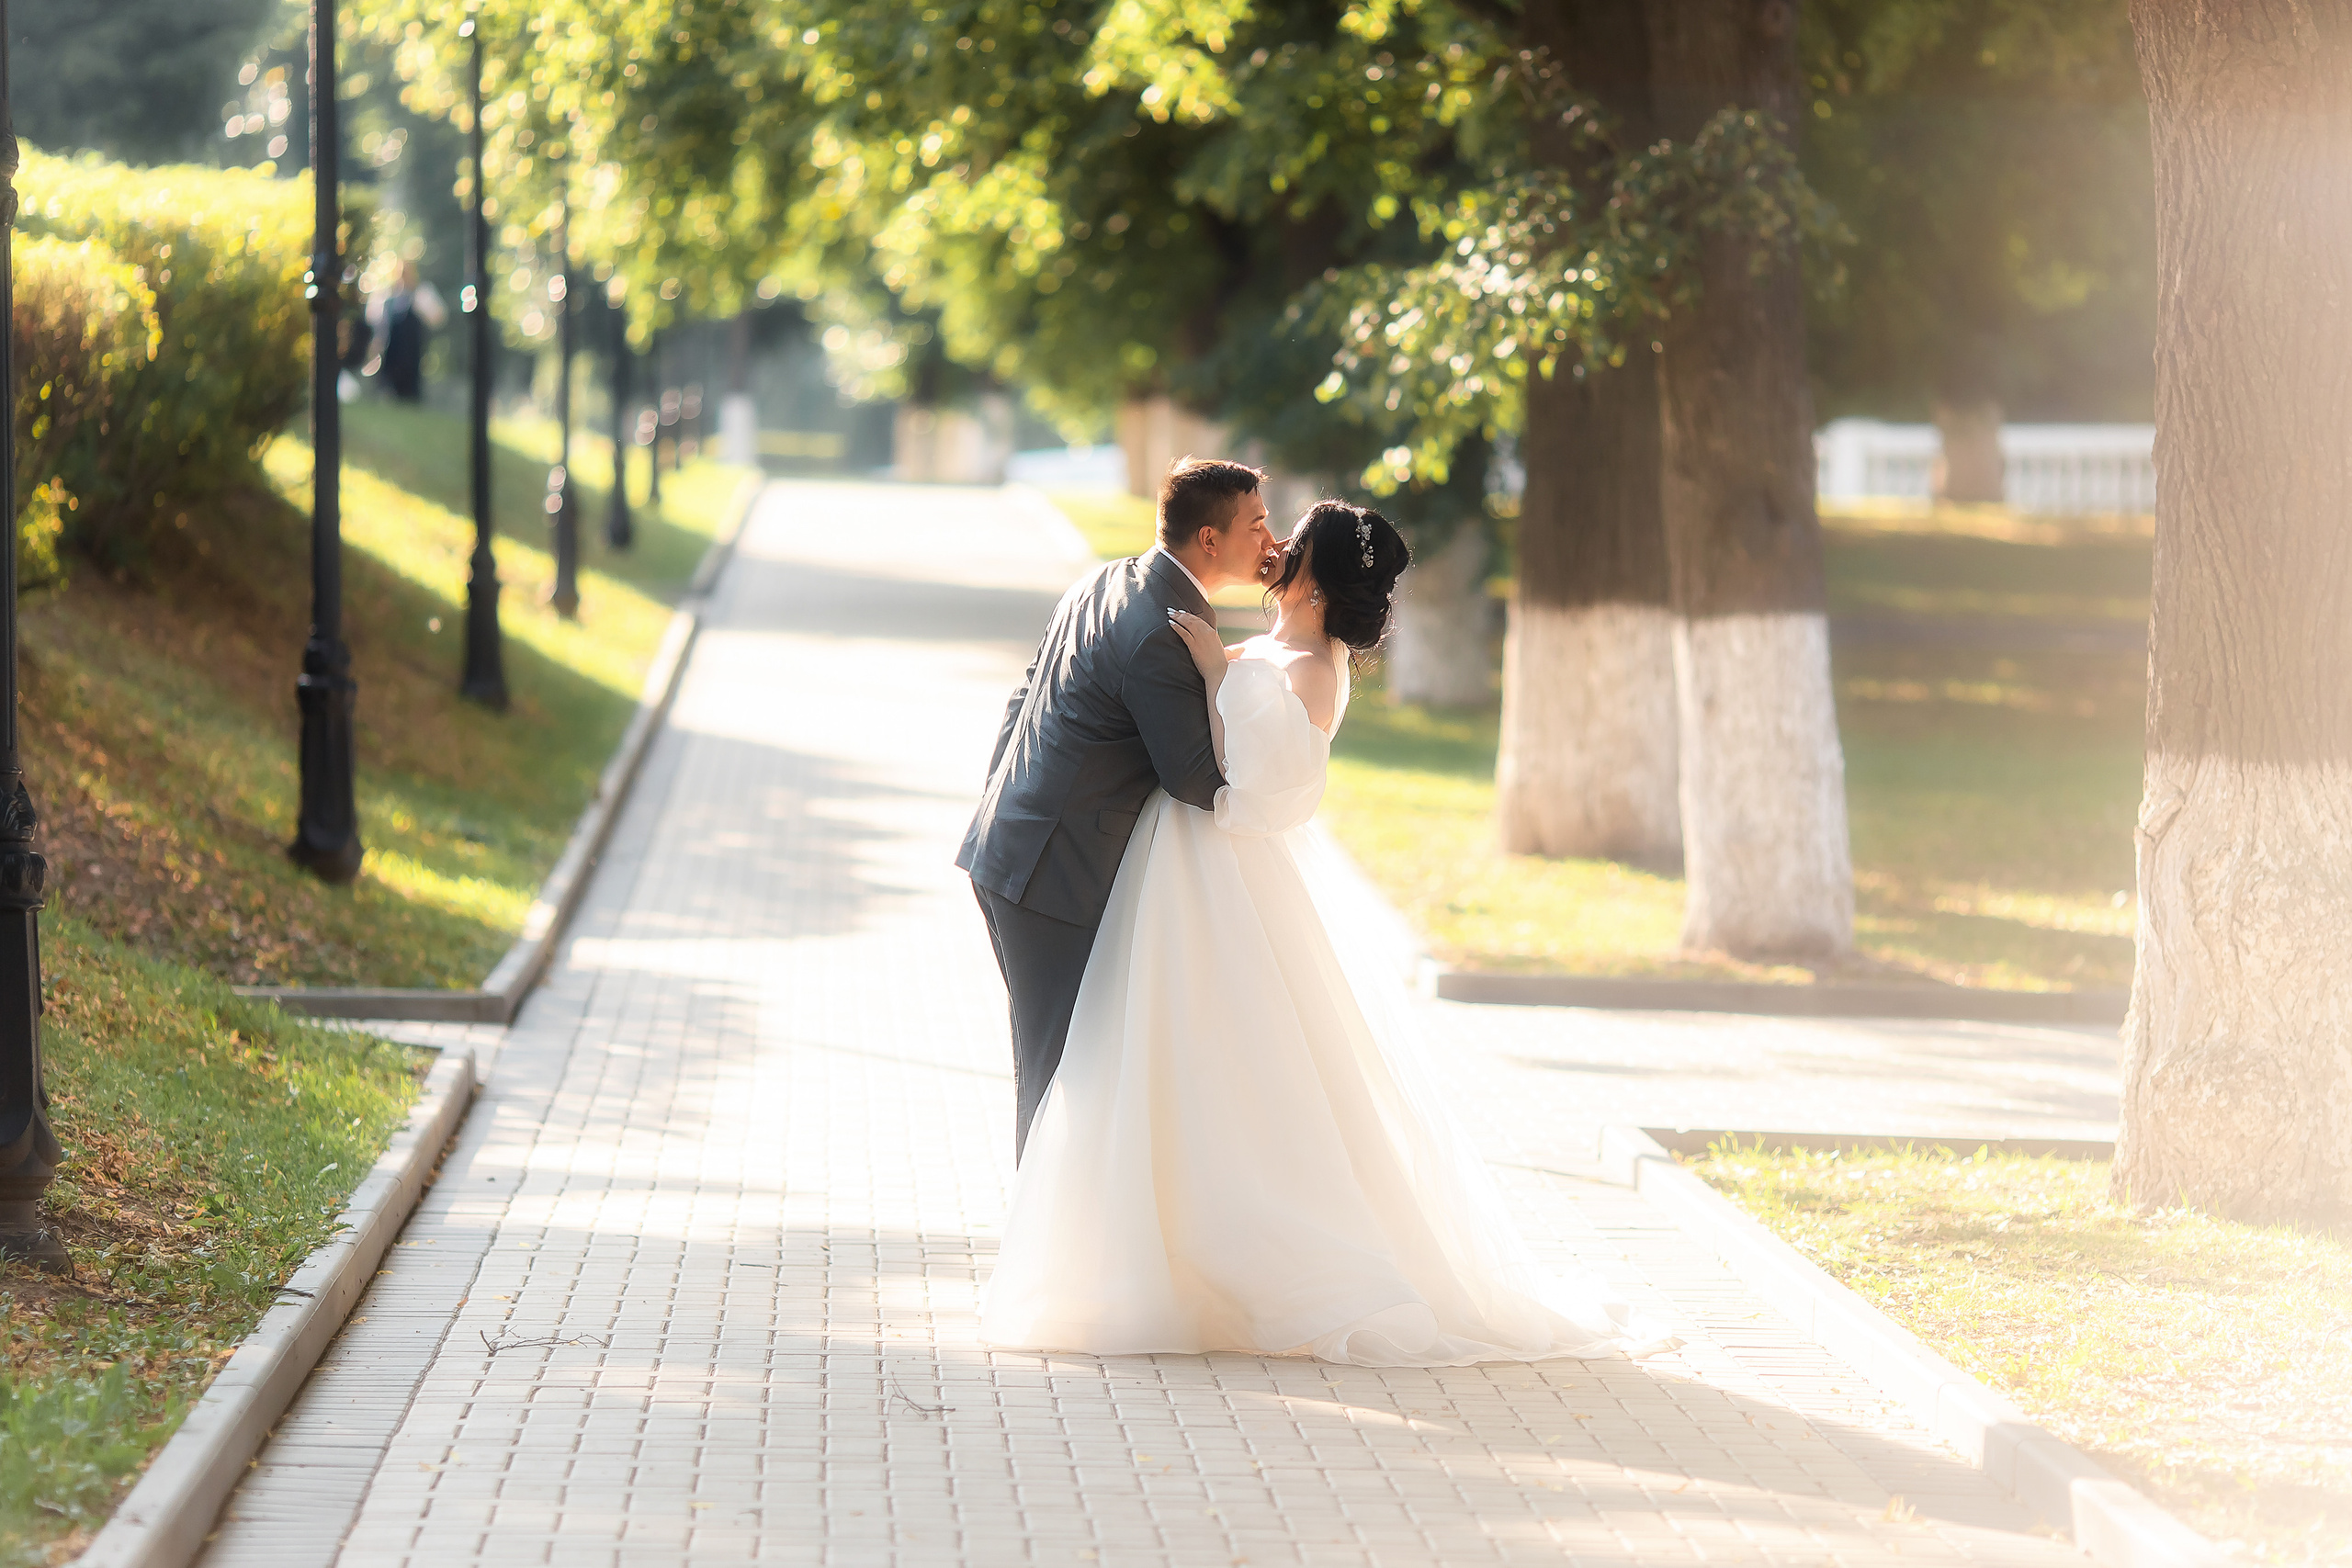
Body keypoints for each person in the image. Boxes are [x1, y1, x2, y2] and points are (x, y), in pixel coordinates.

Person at [978, 499, 1674, 1367]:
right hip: (1174, 868)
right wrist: (1217, 669)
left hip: (1225, 871)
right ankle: (1146, 1244)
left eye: (1291, 542)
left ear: (1315, 573)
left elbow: (1275, 793)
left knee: (1227, 1063)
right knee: (1160, 1059)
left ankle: (1246, 1264)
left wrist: (1213, 674)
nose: (1273, 548)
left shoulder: (1315, 664)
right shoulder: (1273, 645)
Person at [959, 457, 1282, 1156]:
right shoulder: (1164, 631)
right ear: (1208, 540)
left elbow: (1023, 695)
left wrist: (1001, 805)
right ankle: (1036, 1251)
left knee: (1065, 1063)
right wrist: (1226, 686)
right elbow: (1196, 777)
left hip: (1010, 847)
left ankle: (1051, 1241)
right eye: (1257, 524)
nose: (1271, 539)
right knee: (1054, 1070)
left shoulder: (1105, 579)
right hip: (1050, 875)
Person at [365, 261, 448, 402]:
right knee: (388, 387)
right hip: (391, 353)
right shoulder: (387, 297)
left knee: (409, 391)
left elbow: (438, 317)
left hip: (411, 354)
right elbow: (376, 322)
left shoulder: (420, 294)